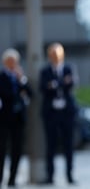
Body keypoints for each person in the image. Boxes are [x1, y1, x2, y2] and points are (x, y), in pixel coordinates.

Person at [39, 42, 78, 185]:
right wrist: (61, 82)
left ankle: (69, 175)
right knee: (51, 145)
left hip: (67, 112)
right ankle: (50, 176)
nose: (55, 57)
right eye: (52, 55)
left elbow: (72, 83)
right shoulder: (45, 71)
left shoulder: (69, 68)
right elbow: (43, 87)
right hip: (51, 113)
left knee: (68, 145)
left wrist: (55, 83)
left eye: (57, 54)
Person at [0, 48, 32, 187]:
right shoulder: (1, 76)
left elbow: (31, 93)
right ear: (5, 62)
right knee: (1, 150)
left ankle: (12, 179)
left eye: (15, 61)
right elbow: (6, 94)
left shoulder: (20, 78)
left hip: (18, 119)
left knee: (17, 149)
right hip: (3, 119)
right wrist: (19, 93)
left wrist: (21, 79)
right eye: (10, 61)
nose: (13, 64)